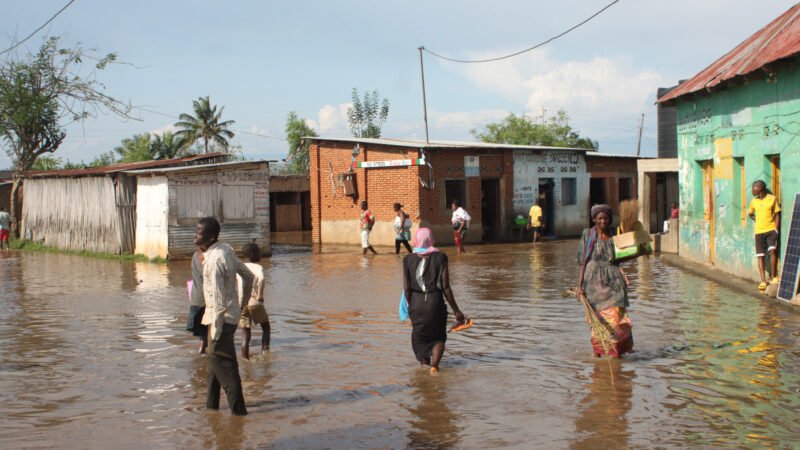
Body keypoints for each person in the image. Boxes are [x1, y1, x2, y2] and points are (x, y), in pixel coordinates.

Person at [195, 217, 254, 416]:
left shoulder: (213, 261)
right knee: (215, 364)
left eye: (199, 233)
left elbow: (219, 301)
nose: (195, 236)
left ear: (210, 237)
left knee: (225, 366)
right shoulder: (226, 249)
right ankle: (211, 408)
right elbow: (248, 276)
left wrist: (217, 331)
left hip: (219, 319)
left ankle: (239, 414)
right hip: (230, 316)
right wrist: (242, 303)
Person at [403, 228, 466, 374]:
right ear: (431, 240)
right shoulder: (441, 257)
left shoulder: (408, 259)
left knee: (419, 336)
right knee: (438, 337)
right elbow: (446, 287)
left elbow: (406, 288)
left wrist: (409, 308)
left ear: (416, 240)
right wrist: (457, 311)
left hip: (416, 303)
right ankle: (434, 367)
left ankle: (424, 366)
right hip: (435, 302)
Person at [575, 204, 633, 358]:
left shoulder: (616, 235)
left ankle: (616, 351)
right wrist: (579, 286)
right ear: (594, 219)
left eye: (606, 218)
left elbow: (623, 257)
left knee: (616, 318)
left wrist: (636, 251)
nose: (603, 221)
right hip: (592, 284)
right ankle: (599, 352)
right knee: (597, 321)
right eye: (600, 218)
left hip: (614, 283)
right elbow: (583, 262)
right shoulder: (588, 235)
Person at [238, 243, 269, 359]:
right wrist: (260, 295)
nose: (260, 255)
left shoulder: (240, 267)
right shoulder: (258, 267)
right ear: (252, 255)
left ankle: (245, 358)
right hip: (254, 302)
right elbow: (261, 279)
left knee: (245, 333)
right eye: (258, 253)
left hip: (242, 303)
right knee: (266, 327)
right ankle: (265, 353)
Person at [748, 180, 781, 291]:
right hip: (759, 231)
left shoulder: (772, 199)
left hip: (771, 230)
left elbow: (777, 214)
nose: (752, 190)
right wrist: (757, 220)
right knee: (760, 255)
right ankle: (763, 280)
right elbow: (751, 214)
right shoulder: (753, 201)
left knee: (772, 251)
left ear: (760, 188)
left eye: (754, 188)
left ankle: (773, 276)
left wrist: (776, 229)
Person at [186, 249, 208, 354]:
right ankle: (203, 354)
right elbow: (205, 273)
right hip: (204, 299)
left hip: (198, 298)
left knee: (204, 332)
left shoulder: (196, 255)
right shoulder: (200, 256)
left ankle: (202, 356)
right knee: (205, 331)